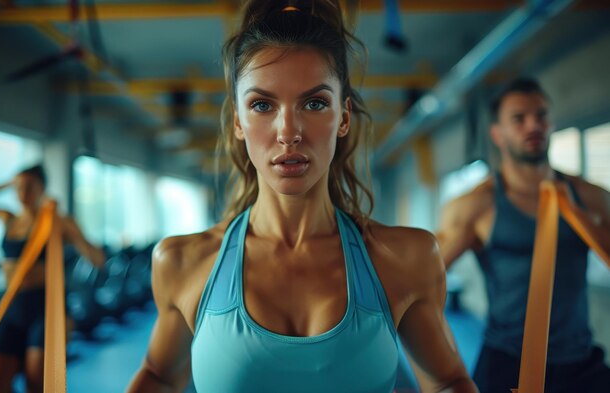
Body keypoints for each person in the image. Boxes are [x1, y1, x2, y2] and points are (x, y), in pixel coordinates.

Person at [127, 1, 476, 392]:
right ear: (238, 121)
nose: (288, 131)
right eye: (262, 105)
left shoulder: (406, 259)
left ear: (343, 118)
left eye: (314, 103)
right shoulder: (183, 264)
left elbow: (447, 381)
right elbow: (159, 376)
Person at [437, 77, 610, 392]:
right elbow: (425, 279)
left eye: (541, 115)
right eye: (519, 118)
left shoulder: (590, 197)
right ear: (497, 134)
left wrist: (579, 216)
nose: (534, 125)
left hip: (580, 361)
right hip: (507, 360)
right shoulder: (476, 205)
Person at [0, 164, 105, 393]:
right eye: (19, 187)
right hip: (11, 306)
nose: (23, 192)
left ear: (43, 189)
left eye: (30, 186)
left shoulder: (56, 222)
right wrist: (10, 182)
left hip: (45, 309)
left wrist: (77, 236)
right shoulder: (8, 219)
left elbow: (97, 259)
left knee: (37, 386)